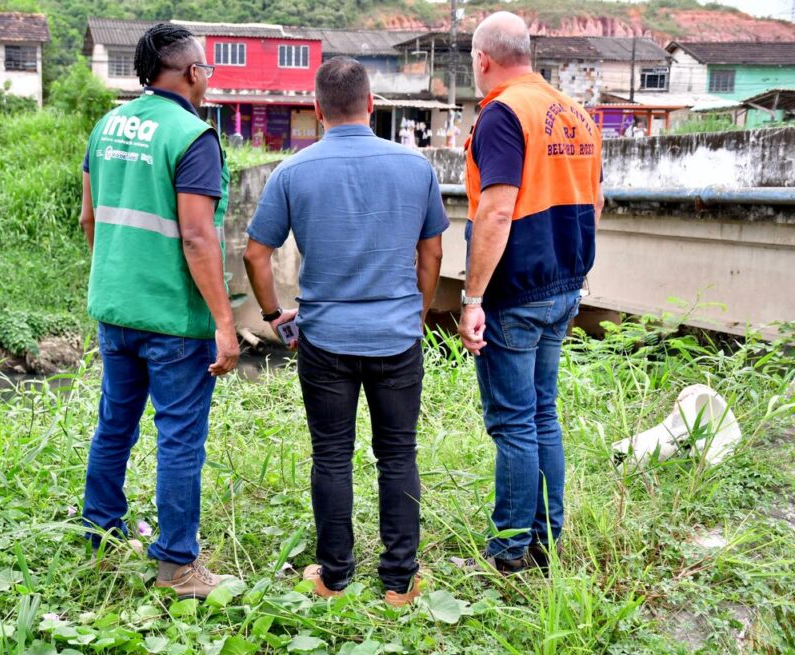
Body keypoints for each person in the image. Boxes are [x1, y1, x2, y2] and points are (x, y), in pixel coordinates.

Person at [244, 57, 448, 607]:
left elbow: (256, 253)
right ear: (372, 105)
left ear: (317, 109)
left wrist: (271, 315)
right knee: (398, 454)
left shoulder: (293, 171)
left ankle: (334, 577)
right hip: (397, 336)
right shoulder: (416, 168)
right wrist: (419, 311)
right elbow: (432, 252)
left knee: (331, 455)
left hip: (325, 337)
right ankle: (400, 583)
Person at [79, 23, 240, 599]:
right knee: (178, 437)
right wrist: (225, 322)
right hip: (172, 318)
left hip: (115, 309)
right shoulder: (193, 135)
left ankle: (99, 531)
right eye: (207, 69)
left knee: (114, 423)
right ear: (191, 73)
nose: (208, 78)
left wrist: (121, 278)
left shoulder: (106, 126)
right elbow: (198, 238)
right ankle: (177, 565)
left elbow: (89, 220)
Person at [451, 11, 604, 576]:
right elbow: (595, 204)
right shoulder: (576, 113)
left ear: (482, 60)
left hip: (516, 291)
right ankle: (546, 538)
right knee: (542, 415)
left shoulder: (502, 113)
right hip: (565, 284)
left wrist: (472, 298)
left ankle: (510, 550)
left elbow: (495, 209)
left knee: (514, 423)